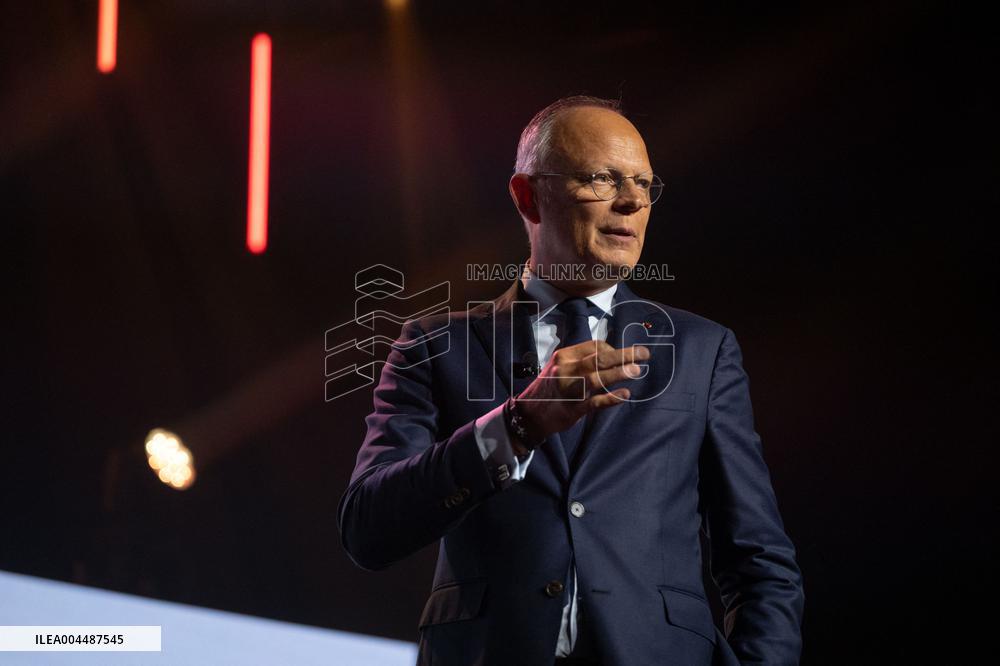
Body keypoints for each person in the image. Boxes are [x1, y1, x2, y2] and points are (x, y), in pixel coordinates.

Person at [338, 96, 804, 665]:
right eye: (603, 178)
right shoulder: (434, 345)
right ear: (528, 196)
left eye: (644, 183)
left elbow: (759, 560)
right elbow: (368, 529)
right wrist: (515, 425)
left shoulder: (703, 350)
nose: (632, 200)